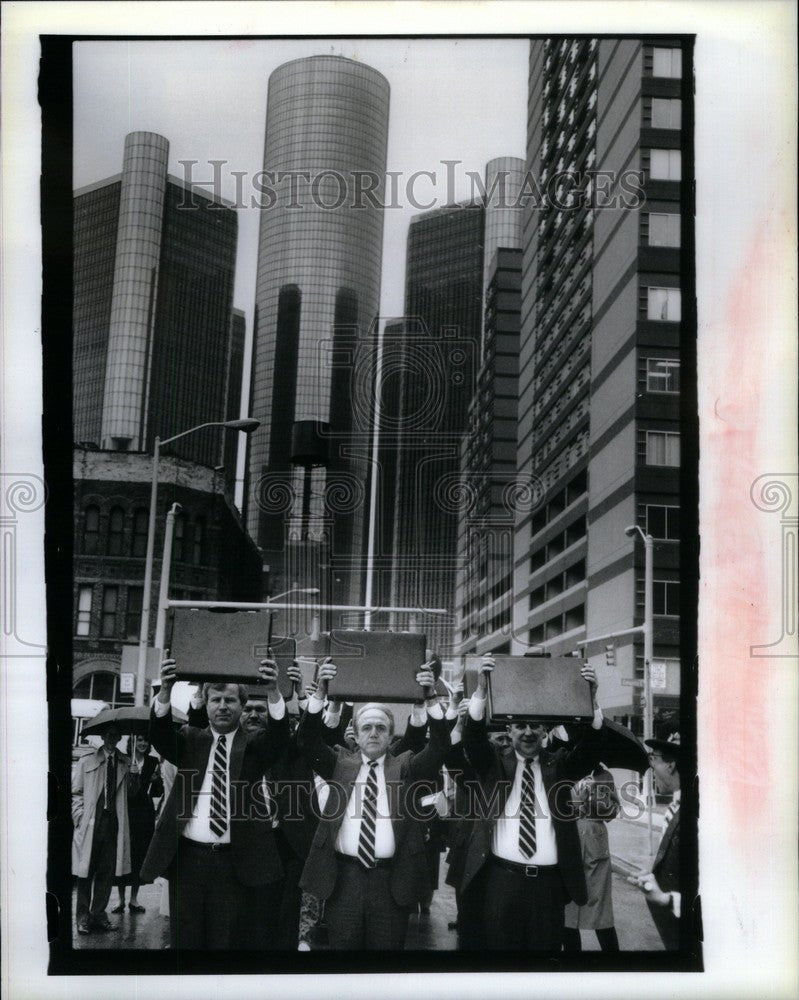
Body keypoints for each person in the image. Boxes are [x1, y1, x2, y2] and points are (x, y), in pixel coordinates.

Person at [296, 658, 451, 949]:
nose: (374, 733)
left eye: (381, 727)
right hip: (344, 881)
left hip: (391, 884)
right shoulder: (340, 764)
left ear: (391, 734)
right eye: (366, 727)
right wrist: (321, 693)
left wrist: (429, 696)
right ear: (356, 731)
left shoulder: (406, 767)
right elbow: (306, 740)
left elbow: (440, 746)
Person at [140, 653, 290, 950]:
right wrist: (166, 691)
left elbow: (279, 738)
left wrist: (274, 690)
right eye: (216, 699)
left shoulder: (255, 747)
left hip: (234, 863)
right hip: (188, 862)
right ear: (205, 705)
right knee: (186, 943)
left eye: (230, 700)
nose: (223, 705)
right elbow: (158, 734)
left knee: (227, 942)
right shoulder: (189, 740)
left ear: (242, 706)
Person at [458, 654, 604, 950]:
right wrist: (481, 693)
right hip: (501, 883)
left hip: (548, 889)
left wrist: (592, 698)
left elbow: (590, 751)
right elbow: (473, 741)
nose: (527, 732)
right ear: (508, 731)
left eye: (535, 726)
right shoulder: (493, 764)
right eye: (520, 725)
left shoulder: (560, 766)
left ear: (545, 732)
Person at [72, 724, 131, 935]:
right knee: (85, 872)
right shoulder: (86, 761)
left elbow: (133, 795)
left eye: (116, 734)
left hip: (113, 822)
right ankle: (83, 918)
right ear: (102, 736)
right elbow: (76, 792)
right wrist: (79, 817)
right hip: (91, 822)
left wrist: (135, 775)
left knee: (107, 872)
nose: (112, 738)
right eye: (108, 734)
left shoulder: (125, 762)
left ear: (119, 737)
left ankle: (98, 915)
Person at [628, 731, 682, 949]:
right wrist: (654, 875)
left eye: (655, 759)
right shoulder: (675, 809)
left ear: (671, 765)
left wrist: (665, 899)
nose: (651, 768)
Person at [562, 765, 621, 951]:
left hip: (596, 847)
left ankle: (616, 966)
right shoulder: (564, 771)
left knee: (600, 911)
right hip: (569, 842)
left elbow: (613, 811)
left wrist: (595, 794)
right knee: (567, 913)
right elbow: (554, 808)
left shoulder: (604, 776)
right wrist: (577, 803)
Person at [112, 735, 162, 915]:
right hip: (125, 811)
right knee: (123, 853)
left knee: (139, 855)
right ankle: (120, 899)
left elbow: (157, 793)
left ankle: (134, 899)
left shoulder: (153, 761)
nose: (143, 743)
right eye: (139, 740)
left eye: (145, 740)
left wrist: (157, 781)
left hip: (144, 814)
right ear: (132, 743)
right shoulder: (124, 760)